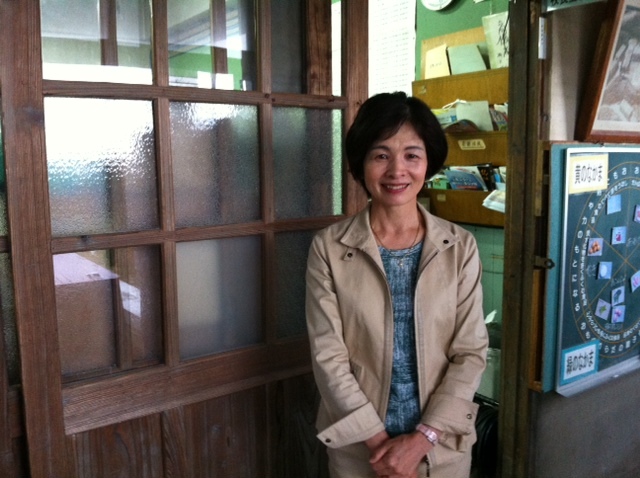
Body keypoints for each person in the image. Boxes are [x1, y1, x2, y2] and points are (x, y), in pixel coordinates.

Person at [305, 92, 489, 478]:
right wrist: (380, 445)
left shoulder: (459, 246)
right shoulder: (329, 248)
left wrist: (422, 439)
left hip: (441, 448)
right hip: (361, 451)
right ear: (361, 163)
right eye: (381, 155)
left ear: (428, 162)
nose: (397, 170)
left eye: (411, 155)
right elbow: (328, 356)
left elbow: (470, 353)